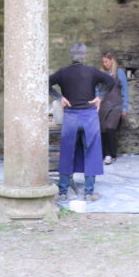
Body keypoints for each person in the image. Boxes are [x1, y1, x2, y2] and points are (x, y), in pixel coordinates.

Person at [49, 42, 115, 203]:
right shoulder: (92, 72)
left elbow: (45, 83)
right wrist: (100, 97)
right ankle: (89, 192)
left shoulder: (63, 73)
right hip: (89, 116)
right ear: (84, 55)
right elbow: (110, 82)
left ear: (71, 56)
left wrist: (60, 98)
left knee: (67, 153)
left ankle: (63, 192)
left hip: (70, 116)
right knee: (91, 152)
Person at [96, 50, 129, 165]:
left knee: (110, 128)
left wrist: (125, 107)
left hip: (116, 105)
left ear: (111, 61)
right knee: (103, 130)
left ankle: (111, 154)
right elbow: (96, 88)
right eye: (103, 62)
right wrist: (97, 101)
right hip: (104, 105)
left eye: (106, 62)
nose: (105, 64)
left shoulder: (119, 73)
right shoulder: (101, 74)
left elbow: (125, 90)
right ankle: (105, 153)